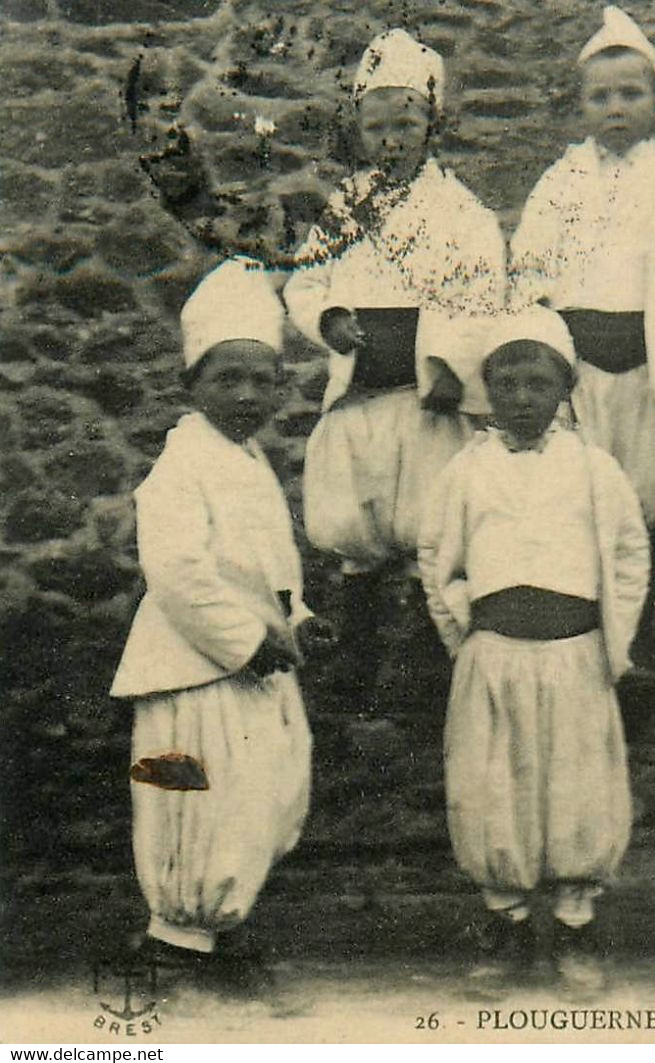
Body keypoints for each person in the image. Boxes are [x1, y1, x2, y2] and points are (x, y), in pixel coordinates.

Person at [110, 257, 334, 995]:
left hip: (257, 667)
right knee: (196, 800)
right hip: (197, 669)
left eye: (262, 379)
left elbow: (271, 569)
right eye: (226, 377)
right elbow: (179, 573)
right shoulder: (182, 464)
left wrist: (297, 619)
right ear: (191, 386)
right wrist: (244, 641)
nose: (246, 394)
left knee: (258, 796)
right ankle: (180, 935)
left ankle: (219, 925)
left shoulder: (249, 462)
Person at [418, 306, 650, 998]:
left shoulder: (594, 468)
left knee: (576, 788)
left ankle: (576, 922)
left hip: (575, 655)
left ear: (564, 387)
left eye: (537, 382)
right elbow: (437, 559)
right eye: (507, 382)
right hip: (494, 657)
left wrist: (613, 644)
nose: (522, 397)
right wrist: (467, 637)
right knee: (495, 788)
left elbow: (630, 555)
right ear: (487, 388)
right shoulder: (464, 471)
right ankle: (507, 923)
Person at [282, 28, 506, 708]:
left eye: (405, 122)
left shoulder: (462, 214)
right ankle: (359, 653)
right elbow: (304, 283)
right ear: (358, 131)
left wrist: (451, 365)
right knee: (360, 531)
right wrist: (328, 320)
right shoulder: (342, 210)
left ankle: (431, 664)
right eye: (376, 125)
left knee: (429, 527)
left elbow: (481, 295)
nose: (391, 139)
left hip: (422, 395)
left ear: (432, 124)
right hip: (361, 395)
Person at [509, 5, 655, 535]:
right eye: (600, 97)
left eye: (631, 94)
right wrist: (542, 355)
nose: (616, 109)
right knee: (572, 497)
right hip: (577, 372)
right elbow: (528, 272)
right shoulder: (560, 185)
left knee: (640, 503)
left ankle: (638, 617)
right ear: (581, 106)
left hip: (649, 375)